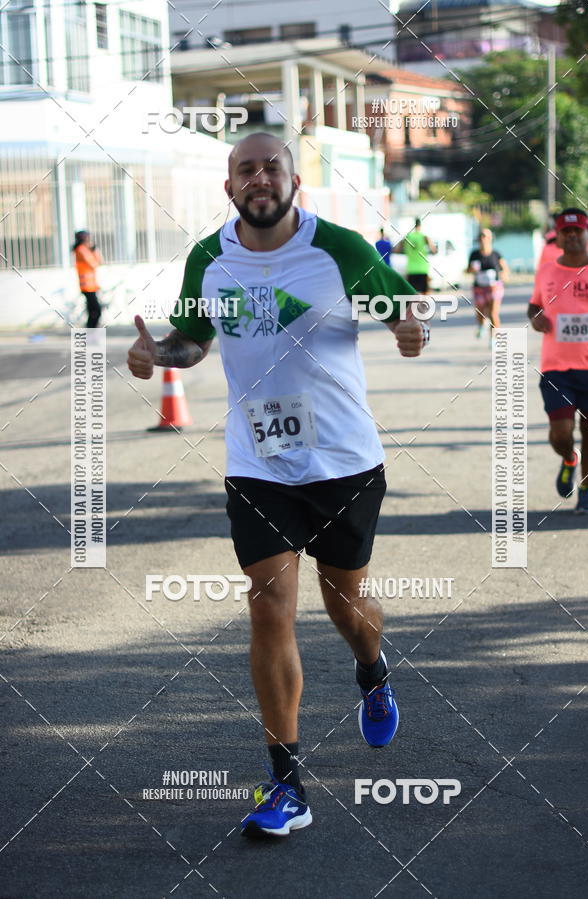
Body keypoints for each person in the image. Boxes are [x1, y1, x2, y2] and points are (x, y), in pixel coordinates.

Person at [127, 132, 428, 838]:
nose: (259, 178)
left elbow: (399, 318)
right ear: (229, 187)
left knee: (344, 598)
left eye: (272, 167)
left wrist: (409, 331)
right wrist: (155, 354)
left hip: (345, 460)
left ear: (295, 181)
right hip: (258, 462)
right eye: (245, 170)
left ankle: (373, 670)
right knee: (270, 605)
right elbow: (192, 342)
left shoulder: (343, 249)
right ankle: (287, 784)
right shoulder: (210, 256)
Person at [528, 207, 588, 514]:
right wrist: (536, 317)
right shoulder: (546, 271)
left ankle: (586, 488)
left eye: (577, 231)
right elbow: (534, 306)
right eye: (565, 231)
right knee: (560, 433)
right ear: (558, 235)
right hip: (557, 366)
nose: (571, 236)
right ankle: (569, 458)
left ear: (587, 234)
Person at [467, 228, 509, 342]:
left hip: (494, 288)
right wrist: (471, 269)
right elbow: (467, 270)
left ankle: (494, 339)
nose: (483, 239)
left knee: (493, 314)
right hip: (479, 288)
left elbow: (505, 269)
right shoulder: (474, 254)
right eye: (481, 236)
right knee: (480, 313)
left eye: (485, 236)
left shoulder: (496, 254)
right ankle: (481, 325)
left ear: (490, 239)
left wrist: (503, 276)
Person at [394, 218, 437, 293]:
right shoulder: (424, 237)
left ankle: (415, 304)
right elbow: (434, 250)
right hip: (423, 269)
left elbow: (397, 250)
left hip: (411, 269)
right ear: (420, 226)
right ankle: (424, 304)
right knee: (424, 294)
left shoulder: (407, 237)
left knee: (412, 295)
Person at [72, 231, 103, 328]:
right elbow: (94, 264)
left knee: (93, 312)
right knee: (96, 311)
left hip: (91, 286)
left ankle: (90, 335)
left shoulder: (84, 249)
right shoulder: (81, 249)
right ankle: (90, 334)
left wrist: (93, 250)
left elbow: (99, 262)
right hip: (87, 286)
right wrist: (94, 250)